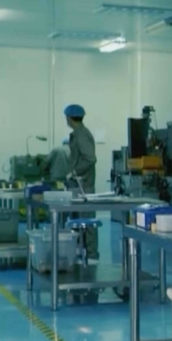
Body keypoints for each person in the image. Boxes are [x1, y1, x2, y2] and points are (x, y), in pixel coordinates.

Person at [64, 104, 98, 261]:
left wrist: (75, 172)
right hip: (78, 186)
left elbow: (91, 159)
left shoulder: (82, 135)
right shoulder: (78, 134)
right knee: (77, 222)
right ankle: (79, 253)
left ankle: (91, 256)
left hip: (84, 187)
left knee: (88, 222)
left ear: (69, 118)